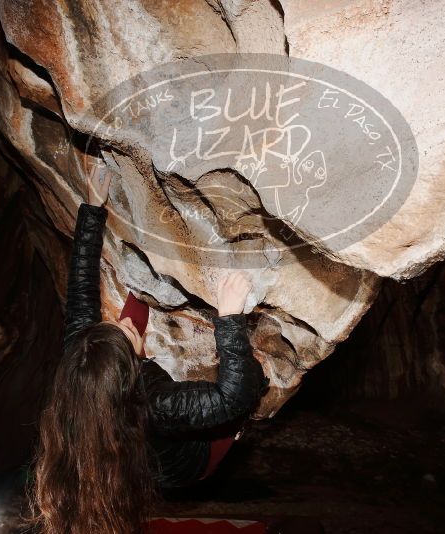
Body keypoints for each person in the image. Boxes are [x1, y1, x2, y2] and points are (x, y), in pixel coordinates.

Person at [31, 162, 269, 534]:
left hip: (132, 432)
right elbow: (232, 396)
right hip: (190, 464)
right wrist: (229, 317)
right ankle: (232, 435)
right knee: (253, 383)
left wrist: (93, 208)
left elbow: (81, 291)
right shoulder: (156, 404)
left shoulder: (81, 362)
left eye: (115, 326)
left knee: (134, 300)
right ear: (133, 370)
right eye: (128, 333)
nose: (125, 323)